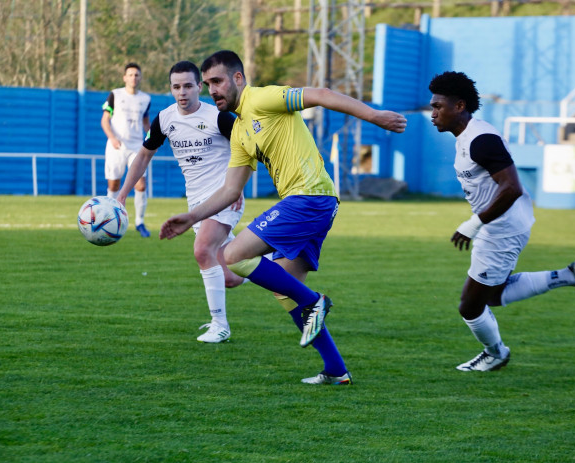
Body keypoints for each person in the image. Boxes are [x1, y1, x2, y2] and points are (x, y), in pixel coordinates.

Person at [160, 50, 407, 385]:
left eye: (217, 81)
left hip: (310, 197)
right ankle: (336, 370)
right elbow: (230, 190)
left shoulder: (263, 98)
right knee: (285, 291)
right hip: (312, 204)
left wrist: (373, 116)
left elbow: (321, 95)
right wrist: (191, 217)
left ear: (238, 78)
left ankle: (315, 302)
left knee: (233, 255)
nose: (212, 89)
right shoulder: (242, 131)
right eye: (208, 84)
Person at [428, 71, 575, 372]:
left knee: (471, 305)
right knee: (493, 295)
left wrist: (474, 223)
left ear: (459, 106)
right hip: (504, 224)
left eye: (437, 107)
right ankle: (570, 275)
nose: (433, 113)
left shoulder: (480, 140)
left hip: (501, 228)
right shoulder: (469, 137)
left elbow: (511, 188)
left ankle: (496, 353)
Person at [117, 61, 247, 343]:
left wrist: (236, 189)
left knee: (202, 251)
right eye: (176, 87)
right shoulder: (164, 119)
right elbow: (142, 156)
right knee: (231, 277)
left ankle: (220, 325)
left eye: (188, 86)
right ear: (171, 89)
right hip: (196, 205)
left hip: (223, 197)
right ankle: (274, 259)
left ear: (199, 86)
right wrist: (122, 194)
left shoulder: (219, 118)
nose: (182, 92)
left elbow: (250, 149)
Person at [101, 62, 152, 238]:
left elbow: (146, 123)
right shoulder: (115, 95)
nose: (133, 78)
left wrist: (154, 136)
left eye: (137, 75)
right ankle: (110, 219)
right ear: (124, 77)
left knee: (141, 184)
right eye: (130, 75)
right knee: (114, 184)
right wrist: (112, 138)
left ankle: (140, 222)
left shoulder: (146, 99)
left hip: (137, 146)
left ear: (140, 78)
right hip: (116, 146)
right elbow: (105, 120)